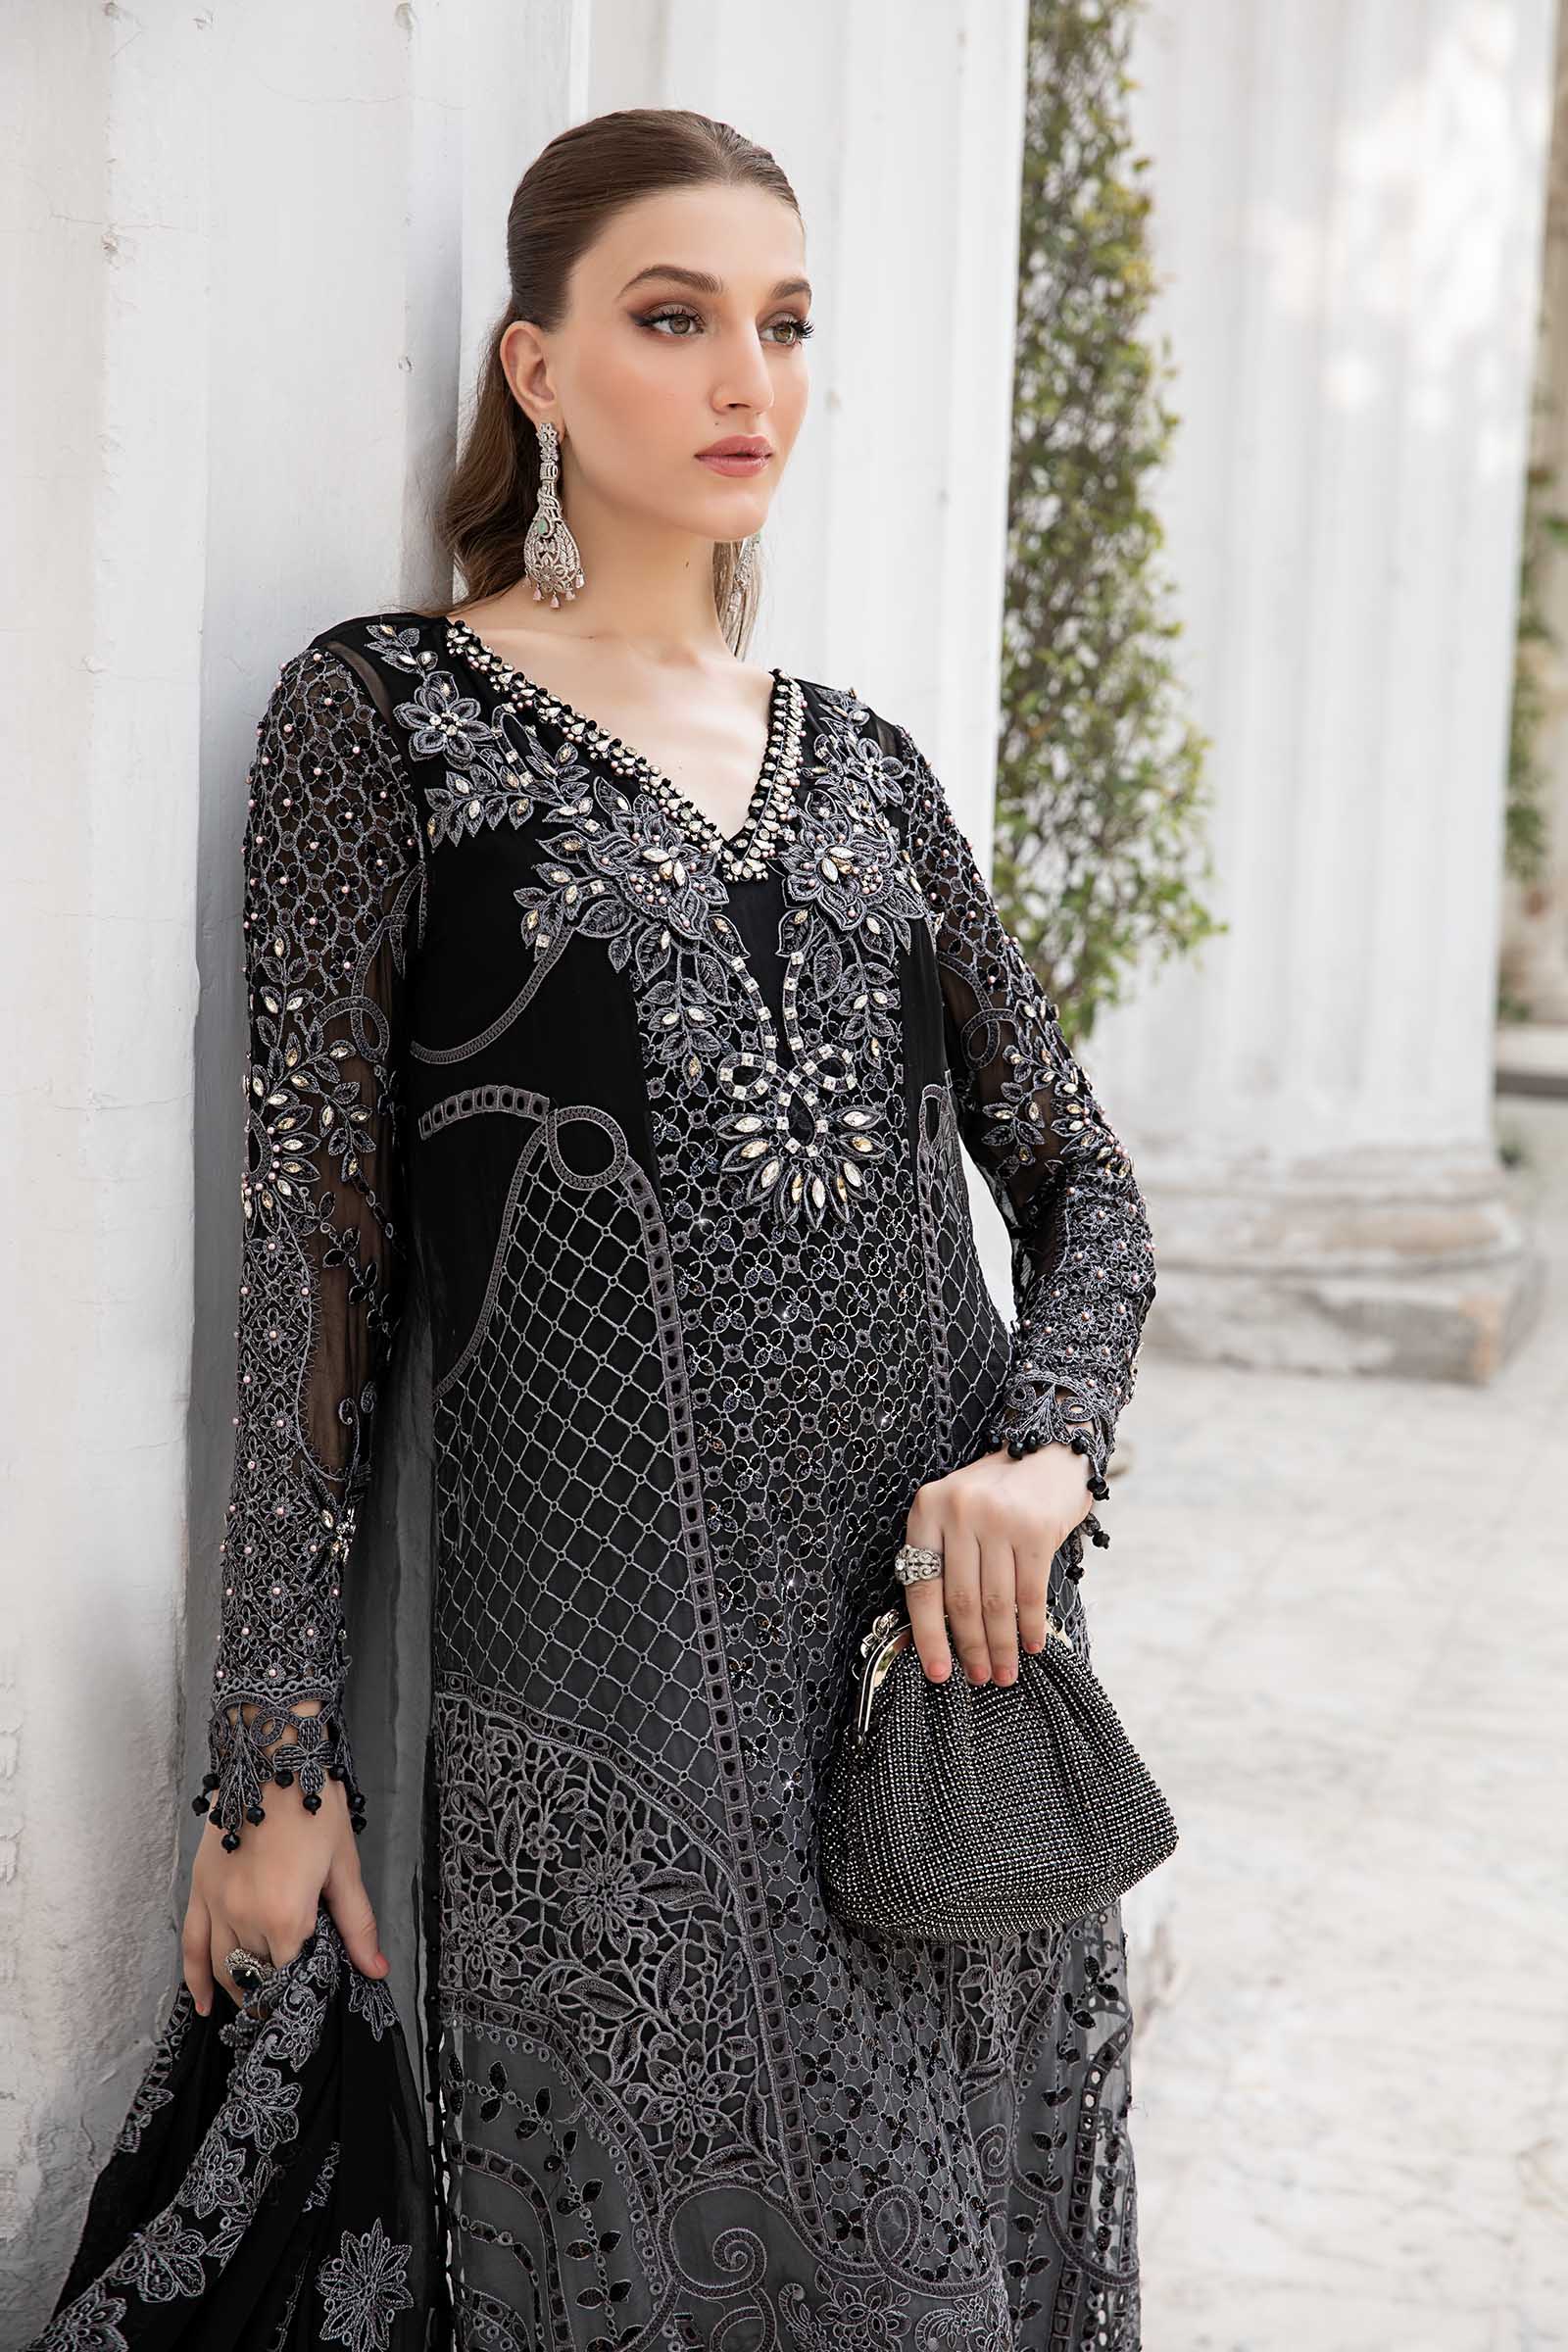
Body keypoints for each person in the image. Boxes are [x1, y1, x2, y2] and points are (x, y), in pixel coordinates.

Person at [39, 105, 1157, 2352]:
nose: (748, 378)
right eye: (674, 319)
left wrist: (1045, 1454)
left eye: (785, 324)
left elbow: (1083, 1188)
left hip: (935, 1714)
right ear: (536, 366)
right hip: (608, 1734)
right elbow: (316, 1263)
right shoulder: (385, 721)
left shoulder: (869, 769)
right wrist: (273, 1763)